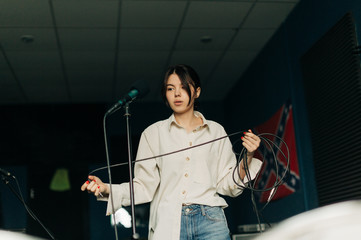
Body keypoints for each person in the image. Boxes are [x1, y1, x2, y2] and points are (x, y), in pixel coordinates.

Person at [81, 64, 262, 240]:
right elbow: (144, 187)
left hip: (210, 219)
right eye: (170, 88)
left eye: (184, 87)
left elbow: (228, 186)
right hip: (169, 221)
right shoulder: (153, 134)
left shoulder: (216, 131)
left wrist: (248, 156)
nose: (177, 93)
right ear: (165, 94)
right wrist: (107, 189)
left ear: (197, 92)